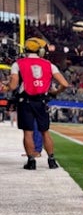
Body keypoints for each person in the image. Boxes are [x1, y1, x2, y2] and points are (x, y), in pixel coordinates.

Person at [8, 37, 69, 170]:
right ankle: (51, 160)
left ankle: (31, 161)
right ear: (41, 51)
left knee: (28, 133)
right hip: (42, 101)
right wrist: (55, 92)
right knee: (45, 132)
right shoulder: (49, 64)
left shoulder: (18, 64)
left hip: (26, 101)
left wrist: (7, 85)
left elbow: (13, 86)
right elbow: (64, 84)